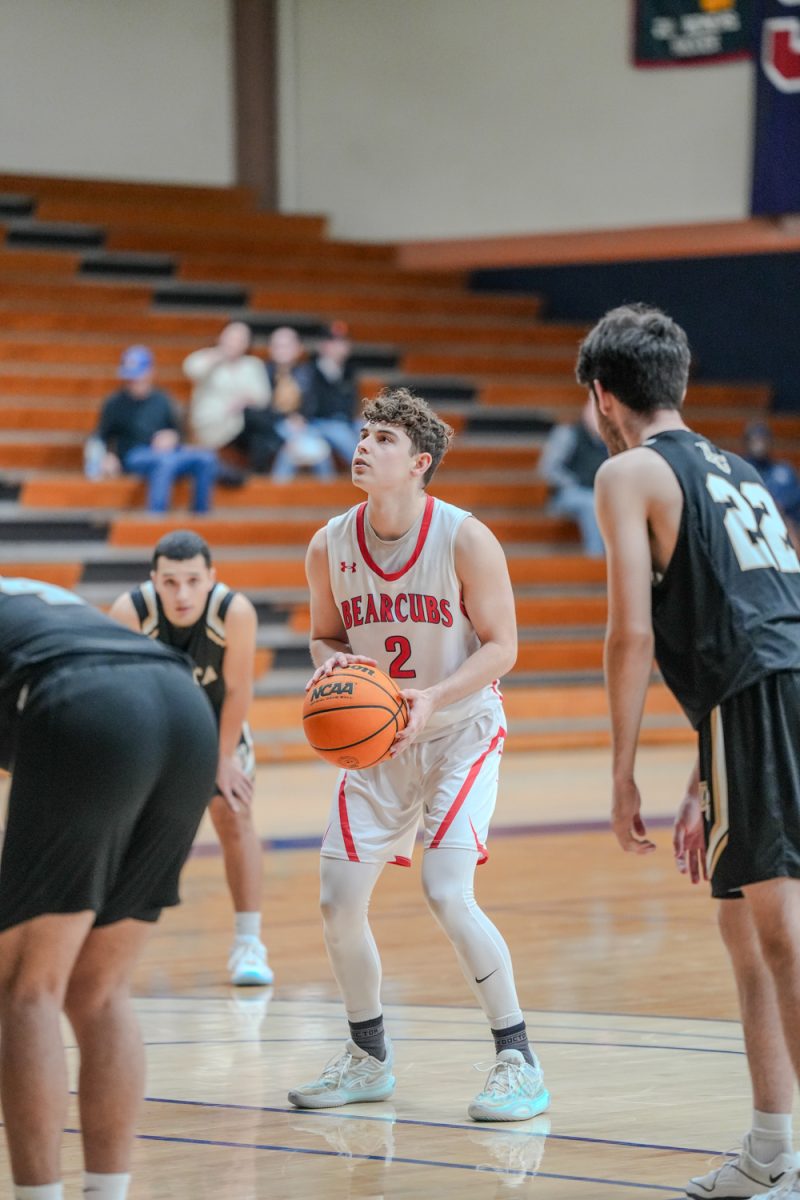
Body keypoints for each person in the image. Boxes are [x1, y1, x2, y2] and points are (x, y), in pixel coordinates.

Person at [577, 304, 800, 1200]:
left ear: (602, 397)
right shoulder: (736, 466)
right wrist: (707, 769)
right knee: (743, 923)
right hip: (767, 694)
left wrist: (621, 766)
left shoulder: (627, 472)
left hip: (761, 701)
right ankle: (770, 1142)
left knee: (781, 935)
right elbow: (754, 617)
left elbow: (630, 632)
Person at [288, 387, 549, 1121]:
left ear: (419, 462)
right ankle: (367, 1057)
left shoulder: (465, 538)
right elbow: (326, 636)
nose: (363, 445)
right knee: (337, 903)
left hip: (459, 729)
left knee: (445, 889)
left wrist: (432, 697)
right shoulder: (329, 542)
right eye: (363, 434)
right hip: (377, 742)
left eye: (382, 439)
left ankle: (517, 1061)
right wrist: (331, 672)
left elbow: (503, 646)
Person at [0, 576, 217, 1200]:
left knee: (27, 988)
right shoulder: (28, 597)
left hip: (87, 700)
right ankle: (108, 1192)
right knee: (98, 989)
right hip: (182, 702)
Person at [108, 530, 273, 988]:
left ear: (211, 578)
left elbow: (239, 691)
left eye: (193, 581)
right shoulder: (130, 612)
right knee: (127, 828)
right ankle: (110, 944)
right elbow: (127, 695)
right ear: (154, 580)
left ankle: (249, 944)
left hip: (218, 725)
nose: (182, 594)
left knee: (233, 812)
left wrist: (219, 761)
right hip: (155, 728)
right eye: (170, 582)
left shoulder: (233, 612)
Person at [93, 346, 217, 513]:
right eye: (130, 378)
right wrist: (106, 456)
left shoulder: (162, 399)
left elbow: (178, 432)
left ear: (150, 373)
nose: (133, 382)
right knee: (164, 463)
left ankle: (201, 516)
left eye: (138, 377)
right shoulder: (114, 403)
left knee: (205, 459)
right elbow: (100, 436)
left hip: (168, 452)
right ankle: (156, 520)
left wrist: (172, 437)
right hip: (134, 454)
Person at [183, 321, 276, 474]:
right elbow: (191, 370)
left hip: (243, 423)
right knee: (264, 428)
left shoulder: (253, 365)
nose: (234, 343)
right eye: (231, 337)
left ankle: (258, 477)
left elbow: (263, 397)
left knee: (260, 431)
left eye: (240, 339)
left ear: (247, 344)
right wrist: (218, 356)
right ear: (221, 337)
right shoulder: (207, 357)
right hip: (213, 423)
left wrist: (244, 401)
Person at [538, 395, 607, 556]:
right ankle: (595, 559)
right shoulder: (568, 433)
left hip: (599, 492)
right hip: (570, 493)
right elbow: (548, 468)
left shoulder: (609, 441)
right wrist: (573, 482)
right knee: (591, 503)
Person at [267, 326, 334, 482]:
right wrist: (286, 420)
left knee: (322, 448)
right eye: (278, 346)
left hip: (304, 424)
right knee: (291, 447)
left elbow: (312, 402)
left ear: (298, 348)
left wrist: (301, 419)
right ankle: (277, 490)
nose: (282, 350)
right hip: (273, 425)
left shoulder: (307, 372)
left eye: (287, 345)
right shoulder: (264, 372)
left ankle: (330, 491)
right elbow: (261, 407)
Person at [308, 320, 362, 468]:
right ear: (323, 346)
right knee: (341, 434)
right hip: (319, 422)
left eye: (342, 341)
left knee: (369, 428)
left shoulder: (349, 371)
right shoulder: (311, 370)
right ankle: (373, 473)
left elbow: (352, 403)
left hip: (346, 421)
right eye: (334, 342)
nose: (340, 346)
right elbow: (311, 406)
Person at [744, 421, 800, 544]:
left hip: (784, 528)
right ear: (747, 442)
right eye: (755, 440)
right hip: (751, 531)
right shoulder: (741, 471)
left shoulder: (785, 470)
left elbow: (795, 505)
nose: (759, 444)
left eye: (762, 439)